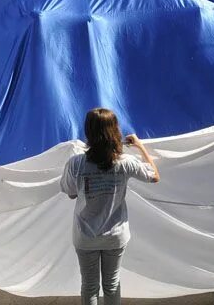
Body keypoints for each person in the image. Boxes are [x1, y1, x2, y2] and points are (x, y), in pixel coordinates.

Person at [60, 108, 160, 305]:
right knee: (112, 284)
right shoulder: (125, 162)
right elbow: (155, 176)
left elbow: (71, 193)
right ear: (115, 130)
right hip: (115, 235)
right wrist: (140, 147)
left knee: (89, 286)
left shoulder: (76, 164)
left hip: (85, 235)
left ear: (88, 132)